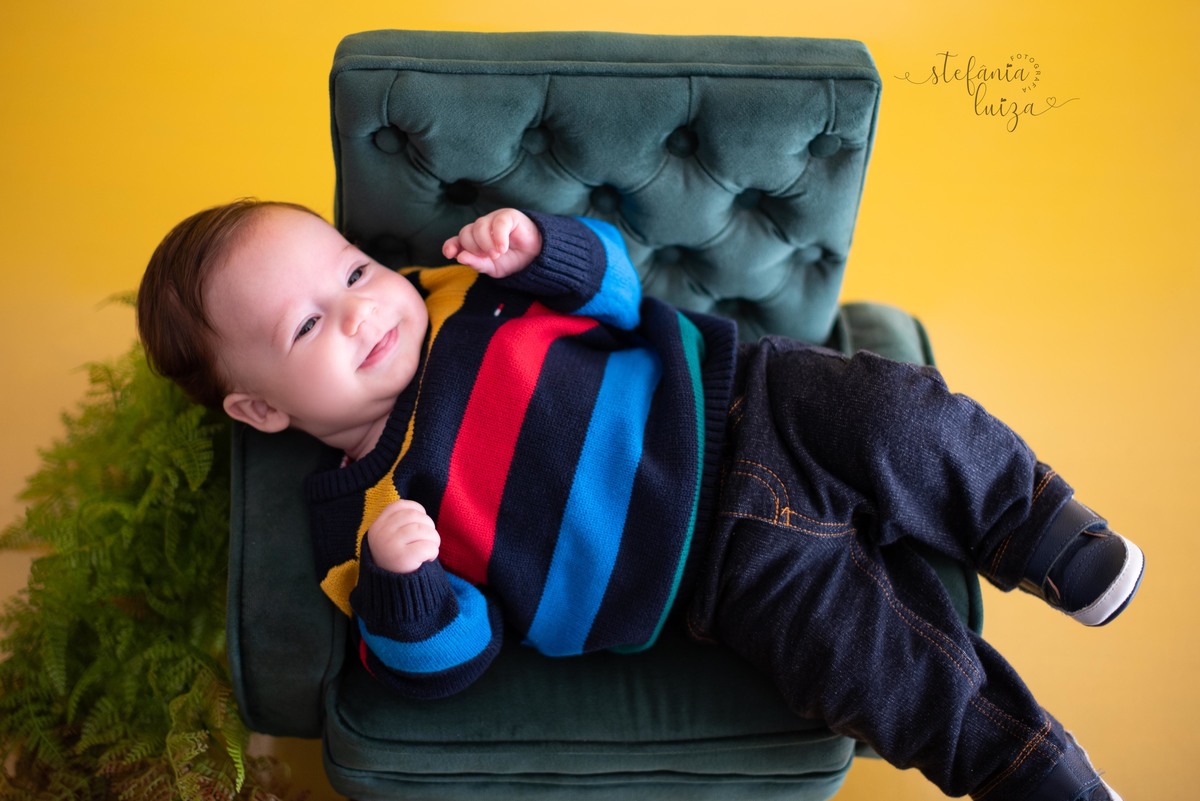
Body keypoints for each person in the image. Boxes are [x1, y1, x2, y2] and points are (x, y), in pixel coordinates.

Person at [137, 200, 1143, 801]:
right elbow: (449, 661)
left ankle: (1037, 526)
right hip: (722, 575)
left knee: (900, 416)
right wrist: (406, 584)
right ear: (260, 408)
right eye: (307, 325)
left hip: (749, 400)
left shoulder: (457, 289)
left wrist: (541, 248)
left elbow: (616, 287)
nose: (362, 309)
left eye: (353, 270)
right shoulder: (362, 521)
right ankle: (1028, 766)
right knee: (874, 664)